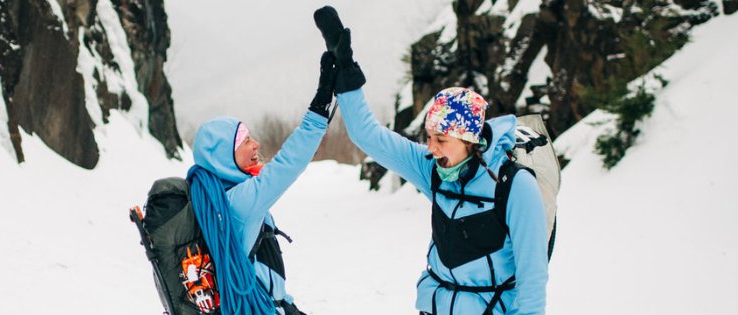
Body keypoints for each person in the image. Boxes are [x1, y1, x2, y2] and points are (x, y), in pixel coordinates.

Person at [312, 6, 549, 315]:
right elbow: (367, 135)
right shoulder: (433, 171)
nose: (431, 148)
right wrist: (345, 71)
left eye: (441, 139)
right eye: (429, 136)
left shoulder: (514, 186)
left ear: (469, 140)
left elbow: (533, 281)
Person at [184, 51, 339, 315]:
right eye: (244, 141)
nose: (255, 144)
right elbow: (288, 164)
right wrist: (321, 103)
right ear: (223, 156)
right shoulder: (240, 202)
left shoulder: (214, 198)